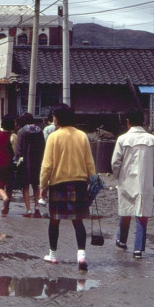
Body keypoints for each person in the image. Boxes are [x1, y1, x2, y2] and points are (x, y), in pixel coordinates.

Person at [40, 104, 96, 271]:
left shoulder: (53, 137)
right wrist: (92, 180)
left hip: (58, 183)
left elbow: (47, 166)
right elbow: (89, 162)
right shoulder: (82, 136)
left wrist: (43, 185)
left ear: (59, 118)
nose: (53, 120)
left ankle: (53, 254)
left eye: (55, 117)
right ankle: (81, 255)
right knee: (78, 221)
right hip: (79, 184)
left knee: (54, 220)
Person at [111, 108, 154, 259]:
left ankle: (122, 240)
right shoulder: (152, 139)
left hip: (126, 180)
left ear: (128, 122)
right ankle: (138, 249)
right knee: (142, 213)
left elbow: (115, 162)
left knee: (126, 210)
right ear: (143, 122)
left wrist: (118, 177)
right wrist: (151, 178)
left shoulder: (122, 139)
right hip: (144, 181)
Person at [14, 112, 45, 217]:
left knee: (25, 186)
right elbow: (43, 147)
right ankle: (36, 206)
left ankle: (28, 209)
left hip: (25, 163)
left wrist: (15, 161)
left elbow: (18, 150)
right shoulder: (39, 131)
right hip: (37, 161)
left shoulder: (21, 132)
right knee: (36, 185)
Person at [0, 114, 17, 215]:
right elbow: (16, 152)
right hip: (9, 163)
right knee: (9, 186)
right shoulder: (13, 136)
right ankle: (5, 206)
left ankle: (5, 199)